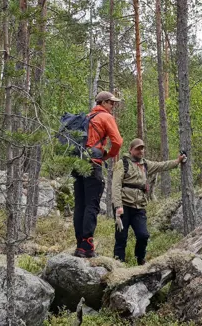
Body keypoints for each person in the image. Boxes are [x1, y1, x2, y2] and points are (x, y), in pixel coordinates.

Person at [112, 138, 186, 264]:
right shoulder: (122, 164)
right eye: (137, 149)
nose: (141, 151)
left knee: (143, 235)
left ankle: (140, 259)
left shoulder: (145, 165)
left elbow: (162, 165)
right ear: (131, 150)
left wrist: (177, 161)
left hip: (139, 206)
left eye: (142, 148)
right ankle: (118, 264)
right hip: (124, 206)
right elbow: (116, 185)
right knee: (121, 237)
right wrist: (118, 206)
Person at [73, 91, 124, 258]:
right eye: (111, 102)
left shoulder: (87, 118)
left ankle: (80, 244)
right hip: (93, 163)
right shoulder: (106, 117)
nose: (113, 105)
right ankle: (87, 245)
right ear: (103, 103)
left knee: (80, 204)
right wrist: (108, 156)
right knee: (92, 204)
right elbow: (117, 142)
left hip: (77, 163)